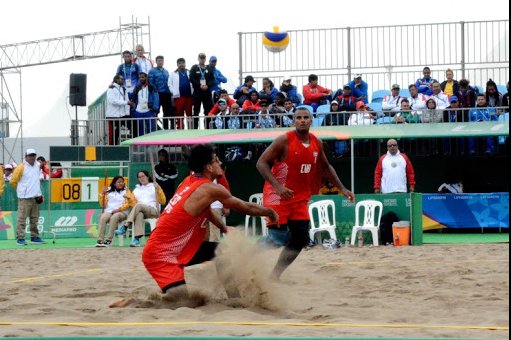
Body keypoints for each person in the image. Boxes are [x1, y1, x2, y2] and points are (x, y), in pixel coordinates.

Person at [110, 144, 278, 307]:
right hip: (160, 254)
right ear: (208, 167)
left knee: (223, 251)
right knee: (184, 302)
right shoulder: (208, 189)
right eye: (216, 160)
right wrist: (269, 212)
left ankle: (234, 299)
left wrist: (224, 228)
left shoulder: (189, 181)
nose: (219, 163)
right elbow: (245, 207)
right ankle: (135, 302)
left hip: (179, 247)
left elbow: (206, 211)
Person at [256, 107, 355, 280]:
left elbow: (325, 167)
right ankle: (243, 253)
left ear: (311, 120)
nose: (302, 120)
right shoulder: (284, 140)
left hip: (300, 198)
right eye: (299, 117)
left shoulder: (317, 142)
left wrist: (342, 188)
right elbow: (261, 163)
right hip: (277, 196)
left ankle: (275, 275)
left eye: (305, 117)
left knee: (301, 238)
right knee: (277, 239)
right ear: (294, 121)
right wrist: (279, 187)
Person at [115, 170, 166, 247]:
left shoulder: (154, 186)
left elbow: (163, 201)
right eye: (139, 177)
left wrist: (158, 189)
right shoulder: (136, 190)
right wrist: (129, 198)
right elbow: (134, 204)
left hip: (153, 210)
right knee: (139, 214)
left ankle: (125, 226)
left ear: (147, 177)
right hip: (141, 210)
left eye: (143, 176)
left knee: (139, 206)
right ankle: (136, 239)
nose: (141, 178)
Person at [10, 148, 45, 246]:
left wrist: (39, 193)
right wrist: (20, 190)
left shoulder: (37, 166)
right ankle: (20, 238)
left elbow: (37, 179)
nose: (32, 157)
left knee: (35, 218)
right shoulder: (21, 167)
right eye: (30, 155)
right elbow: (13, 181)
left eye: (33, 155)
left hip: (35, 197)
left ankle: (34, 237)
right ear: (26, 157)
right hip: (24, 198)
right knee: (22, 218)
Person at [96, 176, 135, 247]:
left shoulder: (126, 191)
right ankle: (100, 240)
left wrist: (119, 209)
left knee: (114, 217)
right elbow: (103, 205)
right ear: (114, 183)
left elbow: (129, 204)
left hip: (122, 212)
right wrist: (102, 194)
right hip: (109, 211)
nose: (121, 183)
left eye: (122, 182)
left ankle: (109, 240)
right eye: (119, 182)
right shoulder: (108, 191)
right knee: (103, 217)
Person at [148, 56, 175, 130]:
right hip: (157, 94)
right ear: (156, 62)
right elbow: (150, 82)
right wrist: (155, 91)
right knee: (156, 111)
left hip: (167, 94)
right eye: (159, 61)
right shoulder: (152, 71)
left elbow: (169, 82)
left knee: (167, 112)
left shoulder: (166, 71)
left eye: (162, 61)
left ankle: (165, 129)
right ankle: (153, 129)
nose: (160, 62)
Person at [189, 53, 215, 127]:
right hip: (197, 92)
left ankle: (207, 127)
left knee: (207, 110)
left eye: (203, 58)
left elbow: (212, 79)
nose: (202, 59)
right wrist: (199, 85)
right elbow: (191, 78)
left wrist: (208, 85)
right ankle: (195, 128)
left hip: (207, 92)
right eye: (201, 58)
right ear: (198, 59)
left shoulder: (208, 68)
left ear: (205, 59)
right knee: (196, 111)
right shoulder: (194, 67)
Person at [106, 74, 132, 145]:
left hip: (122, 115)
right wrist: (126, 102)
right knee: (114, 132)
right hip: (113, 115)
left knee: (133, 124)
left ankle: (134, 142)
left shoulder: (123, 89)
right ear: (116, 80)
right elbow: (113, 101)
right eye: (121, 79)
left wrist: (127, 113)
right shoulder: (111, 88)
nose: (122, 80)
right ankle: (112, 146)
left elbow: (127, 102)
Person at [168, 57, 193, 130]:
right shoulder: (173, 73)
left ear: (185, 64)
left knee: (189, 114)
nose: (181, 64)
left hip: (189, 96)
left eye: (183, 63)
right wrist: (173, 92)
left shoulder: (189, 72)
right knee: (179, 114)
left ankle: (190, 129)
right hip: (179, 97)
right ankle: (180, 129)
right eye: (179, 63)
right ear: (177, 64)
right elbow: (169, 84)